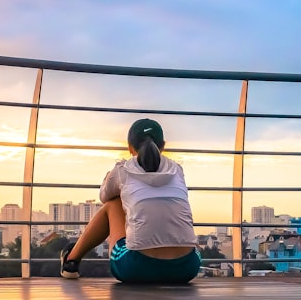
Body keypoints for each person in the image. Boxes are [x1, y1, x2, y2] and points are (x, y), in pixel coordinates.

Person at [60, 118, 201, 283]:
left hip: (137, 267)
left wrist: (109, 180)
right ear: (163, 145)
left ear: (129, 147)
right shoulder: (177, 170)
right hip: (186, 268)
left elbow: (105, 197)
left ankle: (71, 260)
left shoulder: (123, 169)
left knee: (113, 204)